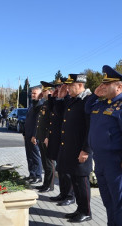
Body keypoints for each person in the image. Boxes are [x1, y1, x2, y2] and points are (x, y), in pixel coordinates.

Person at [85, 65, 122, 226]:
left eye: (106, 84)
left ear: (119, 86)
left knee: (121, 203)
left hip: (118, 162)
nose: (103, 87)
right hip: (101, 161)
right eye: (102, 84)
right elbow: (87, 109)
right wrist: (95, 95)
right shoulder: (101, 104)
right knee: (108, 201)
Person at [55, 74, 92, 222]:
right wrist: (60, 97)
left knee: (82, 183)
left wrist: (86, 150)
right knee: (76, 182)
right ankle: (80, 209)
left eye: (71, 86)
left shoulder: (88, 101)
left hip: (80, 150)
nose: (68, 88)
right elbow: (58, 115)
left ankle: (87, 212)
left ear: (80, 85)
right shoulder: (73, 100)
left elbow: (91, 128)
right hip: (70, 149)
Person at [48, 78, 75, 204]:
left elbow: (61, 114)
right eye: (57, 87)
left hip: (67, 141)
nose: (58, 88)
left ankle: (69, 196)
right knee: (61, 169)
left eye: (61, 86)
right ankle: (63, 193)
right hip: (59, 140)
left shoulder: (70, 100)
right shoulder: (62, 99)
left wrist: (61, 97)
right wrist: (55, 98)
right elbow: (53, 112)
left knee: (67, 171)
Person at [32, 81, 55, 192]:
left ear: (50, 92)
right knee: (45, 164)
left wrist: (47, 136)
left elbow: (51, 122)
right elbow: (39, 121)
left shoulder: (51, 104)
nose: (44, 92)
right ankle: (45, 184)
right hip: (41, 137)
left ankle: (49, 185)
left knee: (49, 163)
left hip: (47, 138)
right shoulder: (44, 103)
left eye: (45, 91)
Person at [22, 87, 43, 184]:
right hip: (28, 135)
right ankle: (32, 174)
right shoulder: (31, 105)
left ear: (40, 94)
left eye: (35, 93)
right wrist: (24, 133)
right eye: (32, 93)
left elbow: (39, 123)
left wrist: (35, 136)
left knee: (35, 156)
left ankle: (38, 176)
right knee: (29, 156)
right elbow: (27, 121)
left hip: (34, 136)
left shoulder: (40, 106)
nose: (32, 95)